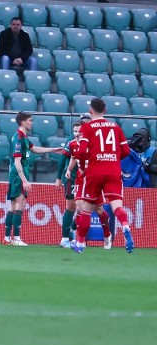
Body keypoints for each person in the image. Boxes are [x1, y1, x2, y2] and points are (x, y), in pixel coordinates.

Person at [72, 98, 134, 254]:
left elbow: (82, 150)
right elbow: (126, 151)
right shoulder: (115, 127)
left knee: (86, 210)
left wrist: (83, 160)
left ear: (90, 110)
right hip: (113, 171)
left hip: (95, 171)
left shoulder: (87, 127)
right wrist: (111, 158)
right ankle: (125, 225)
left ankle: (79, 243)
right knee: (117, 206)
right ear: (105, 110)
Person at [4, 112, 64, 246]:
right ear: (23, 122)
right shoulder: (19, 138)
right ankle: (17, 238)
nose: (32, 123)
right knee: (20, 202)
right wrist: (24, 180)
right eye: (30, 120)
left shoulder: (23, 137)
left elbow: (35, 149)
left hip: (17, 175)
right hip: (18, 175)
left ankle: (7, 238)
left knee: (14, 205)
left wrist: (53, 149)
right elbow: (17, 161)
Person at [64, 121, 114, 251]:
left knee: (99, 211)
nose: (77, 134)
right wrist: (69, 170)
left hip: (94, 181)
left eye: (80, 131)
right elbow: (73, 158)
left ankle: (107, 235)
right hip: (80, 181)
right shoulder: (72, 144)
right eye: (75, 131)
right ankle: (80, 239)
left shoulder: (93, 143)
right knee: (80, 208)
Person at [55, 114, 91, 248]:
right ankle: (65, 239)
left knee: (83, 209)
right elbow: (64, 159)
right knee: (71, 207)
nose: (77, 133)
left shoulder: (92, 140)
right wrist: (59, 178)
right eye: (75, 131)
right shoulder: (71, 141)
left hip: (87, 179)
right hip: (73, 177)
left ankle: (74, 231)